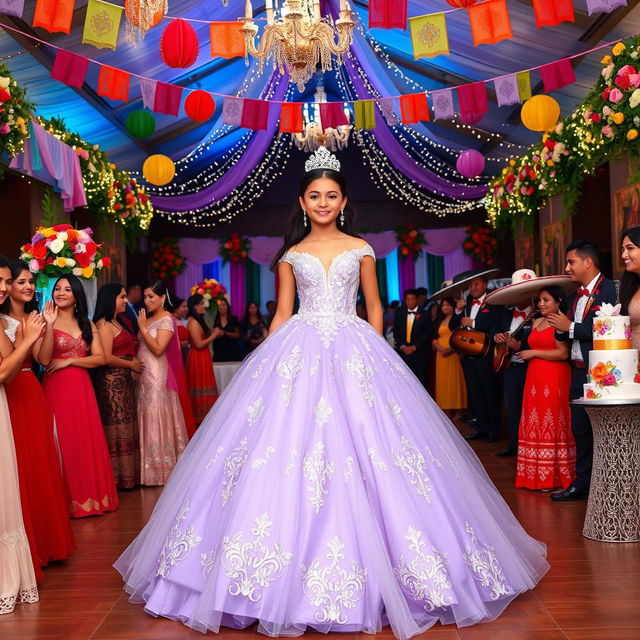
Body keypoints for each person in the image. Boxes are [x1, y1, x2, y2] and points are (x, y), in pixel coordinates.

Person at [115, 147, 548, 638]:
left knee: (375, 445)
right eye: (315, 195)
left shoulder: (361, 248)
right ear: (302, 202)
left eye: (332, 196)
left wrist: (377, 347)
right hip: (298, 347)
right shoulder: (291, 255)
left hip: (353, 346)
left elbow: (374, 309)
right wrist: (268, 361)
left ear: (343, 202)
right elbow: (281, 313)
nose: (323, 203)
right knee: (282, 448)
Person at [1, 261, 75, 569]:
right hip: (12, 392)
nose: (27, 287)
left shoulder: (35, 317)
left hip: (31, 389)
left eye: (30, 282)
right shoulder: (3, 320)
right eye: (20, 282)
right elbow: (9, 365)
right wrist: (26, 335)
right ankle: (28, 545)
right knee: (18, 466)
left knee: (40, 463)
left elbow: (43, 359)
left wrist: (47, 325)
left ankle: (46, 543)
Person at [41, 275, 118, 518]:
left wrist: (71, 360)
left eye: (66, 289)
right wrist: (50, 325)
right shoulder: (44, 323)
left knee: (84, 439)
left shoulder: (87, 324)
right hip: (55, 388)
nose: (61, 293)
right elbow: (43, 360)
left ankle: (90, 499)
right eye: (57, 289)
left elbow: (100, 358)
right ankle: (63, 503)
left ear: (76, 295)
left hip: (81, 388)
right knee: (60, 441)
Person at [547, 240, 617, 501]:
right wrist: (559, 326)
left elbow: (605, 329)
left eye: (571, 262)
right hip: (577, 371)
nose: (567, 267)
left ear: (588, 262)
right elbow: (569, 329)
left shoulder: (611, 290)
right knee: (580, 429)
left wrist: (569, 327)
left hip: (601, 372)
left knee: (602, 430)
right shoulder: (575, 295)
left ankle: (606, 483)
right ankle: (582, 483)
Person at [0, 258, 45, 614]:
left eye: (6, 281)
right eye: (5, 281)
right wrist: (27, 338)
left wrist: (34, 337)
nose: (6, 288)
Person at [515, 286, 575, 491]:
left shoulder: (561, 322)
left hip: (555, 376)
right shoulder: (535, 321)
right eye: (539, 300)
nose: (541, 304)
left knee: (552, 420)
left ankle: (554, 478)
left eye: (546, 300)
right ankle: (533, 475)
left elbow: (563, 353)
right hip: (534, 378)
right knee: (535, 419)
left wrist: (534, 353)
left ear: (558, 302)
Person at [136, 281, 189, 485]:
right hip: (143, 374)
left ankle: (161, 469)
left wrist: (142, 328)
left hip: (158, 373)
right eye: (145, 296)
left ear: (162, 298)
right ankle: (147, 469)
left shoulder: (166, 318)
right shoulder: (148, 318)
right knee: (145, 413)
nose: (147, 300)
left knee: (155, 412)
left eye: (151, 296)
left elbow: (158, 349)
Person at [93, 283, 143, 489]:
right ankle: (116, 478)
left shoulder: (118, 321)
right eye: (121, 297)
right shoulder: (103, 324)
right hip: (111, 383)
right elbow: (105, 357)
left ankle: (129, 476)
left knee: (127, 425)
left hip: (124, 382)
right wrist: (130, 363)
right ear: (110, 298)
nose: (125, 300)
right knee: (116, 427)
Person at [449, 270, 501, 442]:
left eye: (476, 284)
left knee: (489, 393)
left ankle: (494, 429)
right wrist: (457, 311)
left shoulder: (493, 301)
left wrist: (474, 323)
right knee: (475, 394)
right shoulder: (467, 303)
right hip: (468, 357)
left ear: (485, 284)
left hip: (485, 356)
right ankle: (481, 427)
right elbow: (452, 326)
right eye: (470, 285)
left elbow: (496, 324)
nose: (473, 287)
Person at [492, 269, 537, 457]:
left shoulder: (537, 315)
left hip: (531, 368)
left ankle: (531, 446)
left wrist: (520, 346)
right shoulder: (505, 314)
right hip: (510, 367)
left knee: (531, 408)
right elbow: (493, 331)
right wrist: (497, 336)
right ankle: (513, 445)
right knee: (512, 407)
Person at [186, 294, 222, 423]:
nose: (203, 306)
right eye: (201, 304)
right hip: (197, 358)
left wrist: (213, 335)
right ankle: (199, 419)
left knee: (207, 385)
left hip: (203, 357)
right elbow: (198, 344)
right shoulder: (193, 322)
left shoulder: (198, 320)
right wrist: (213, 335)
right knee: (200, 385)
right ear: (195, 306)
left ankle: (206, 417)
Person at [432, 297, 467, 419]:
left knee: (454, 381)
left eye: (448, 305)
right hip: (440, 355)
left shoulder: (456, 319)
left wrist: (450, 349)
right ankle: (446, 410)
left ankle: (458, 411)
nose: (445, 307)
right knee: (443, 382)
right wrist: (437, 345)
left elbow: (461, 336)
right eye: (443, 305)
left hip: (453, 354)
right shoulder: (439, 320)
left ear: (453, 306)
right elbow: (434, 336)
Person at [392, 289, 433, 387]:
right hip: (403, 352)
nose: (410, 301)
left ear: (417, 300)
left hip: (419, 352)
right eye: (407, 299)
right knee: (405, 380)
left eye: (412, 299)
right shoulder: (400, 313)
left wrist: (414, 347)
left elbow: (428, 333)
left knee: (421, 379)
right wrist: (402, 346)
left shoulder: (425, 314)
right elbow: (396, 331)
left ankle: (423, 402)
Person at [620, 226, 640, 347]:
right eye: (623, 250)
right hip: (632, 363)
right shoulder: (630, 286)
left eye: (630, 248)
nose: (623, 255)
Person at [212, 297, 242, 362]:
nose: (221, 307)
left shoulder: (233, 319)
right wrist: (215, 334)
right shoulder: (214, 319)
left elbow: (238, 335)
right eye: (219, 305)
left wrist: (226, 333)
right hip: (218, 350)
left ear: (227, 306)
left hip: (232, 350)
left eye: (223, 305)